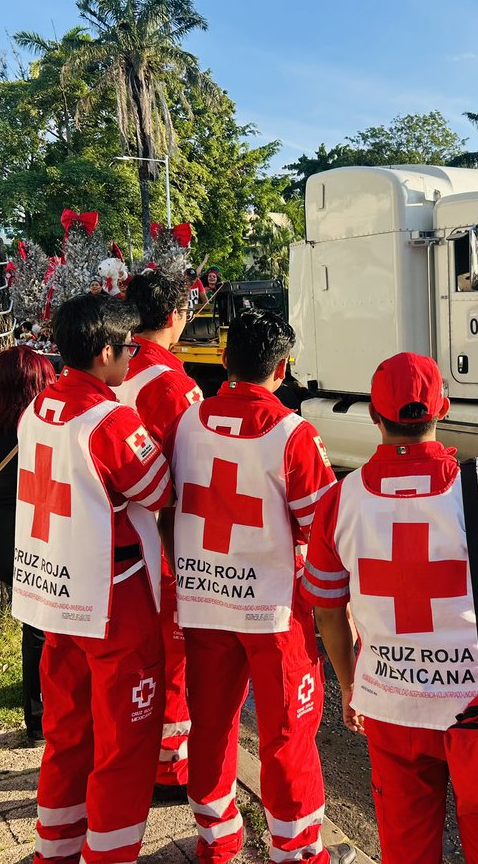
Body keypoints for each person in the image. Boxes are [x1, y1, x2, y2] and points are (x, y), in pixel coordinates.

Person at [303, 352, 478, 864]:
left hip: (391, 704)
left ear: (373, 414)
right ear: (444, 408)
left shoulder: (340, 501)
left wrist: (349, 686)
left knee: (406, 847)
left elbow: (328, 611)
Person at [171, 310, 354, 864]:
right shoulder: (293, 434)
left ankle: (216, 837)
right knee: (287, 734)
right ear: (282, 368)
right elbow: (324, 532)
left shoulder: (188, 421)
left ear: (225, 360)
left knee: (210, 724)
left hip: (202, 601)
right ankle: (298, 852)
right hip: (273, 611)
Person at [14, 293, 174, 864]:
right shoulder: (110, 418)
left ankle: (54, 849)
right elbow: (158, 489)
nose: (132, 357)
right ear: (106, 351)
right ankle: (109, 855)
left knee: (68, 734)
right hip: (113, 596)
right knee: (125, 743)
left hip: (55, 593)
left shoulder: (39, 407)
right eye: (128, 347)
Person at [116, 268, 203, 797]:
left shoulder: (109, 365)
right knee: (171, 658)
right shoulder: (172, 384)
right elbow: (193, 472)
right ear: (174, 316)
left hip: (109, 538)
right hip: (162, 541)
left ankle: (125, 749)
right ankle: (168, 768)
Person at [0, 346, 58, 743]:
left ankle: (38, 718)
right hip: (40, 532)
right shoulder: (55, 426)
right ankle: (45, 714)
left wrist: (1, 384)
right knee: (47, 626)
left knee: (36, 626)